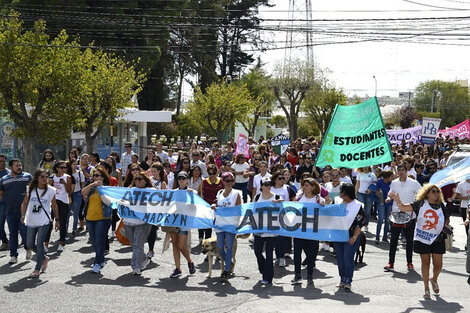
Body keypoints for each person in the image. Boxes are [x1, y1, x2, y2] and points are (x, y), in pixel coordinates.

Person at [389, 184, 449, 299]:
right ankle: (426, 288)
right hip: (423, 238)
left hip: (438, 238)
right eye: (433, 191)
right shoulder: (421, 203)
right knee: (425, 263)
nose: (436, 193)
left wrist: (445, 224)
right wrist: (398, 200)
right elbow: (404, 208)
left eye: (437, 191)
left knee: (438, 265)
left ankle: (434, 279)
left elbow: (447, 217)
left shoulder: (442, 205)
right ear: (427, 193)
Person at [20, 169, 60, 278]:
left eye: (46, 176)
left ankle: (37, 269)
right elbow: (24, 204)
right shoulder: (30, 189)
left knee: (40, 242)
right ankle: (44, 258)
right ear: (37, 178)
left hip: (44, 221)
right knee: (29, 243)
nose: (44, 179)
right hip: (31, 220)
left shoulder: (51, 190)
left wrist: (57, 220)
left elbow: (55, 206)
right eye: (42, 176)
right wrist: (23, 215)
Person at [384, 163, 422, 271]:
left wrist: (415, 204)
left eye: (402, 169)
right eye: (399, 169)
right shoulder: (394, 182)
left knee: (409, 240)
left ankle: (409, 262)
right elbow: (390, 193)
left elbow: (422, 194)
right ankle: (390, 263)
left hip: (409, 214)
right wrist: (388, 198)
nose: (401, 171)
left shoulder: (414, 183)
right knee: (394, 240)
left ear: (406, 171)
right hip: (396, 213)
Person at [292, 178, 324, 286]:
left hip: (313, 231)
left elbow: (325, 211)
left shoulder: (318, 199)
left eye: (307, 185)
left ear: (313, 187)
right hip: (299, 230)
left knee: (311, 254)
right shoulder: (299, 197)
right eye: (303, 185)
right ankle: (297, 275)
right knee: (297, 253)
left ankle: (310, 275)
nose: (304, 187)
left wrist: (323, 206)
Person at [0, 158, 33, 264]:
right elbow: (1, 194)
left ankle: (28, 248)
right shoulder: (4, 179)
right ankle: (13, 255)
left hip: (24, 212)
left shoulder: (27, 177)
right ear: (11, 168)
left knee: (24, 232)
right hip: (10, 211)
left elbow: (34, 190)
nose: (19, 167)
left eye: (20, 165)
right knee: (13, 234)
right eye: (17, 166)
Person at [334, 183, 365, 292]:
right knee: (340, 259)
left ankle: (348, 281)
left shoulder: (357, 205)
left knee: (348, 258)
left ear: (347, 192)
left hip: (351, 235)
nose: (340, 193)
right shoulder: (337, 201)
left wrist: (355, 237)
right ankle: (342, 278)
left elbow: (359, 224)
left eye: (341, 191)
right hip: (338, 235)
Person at [82, 168, 112, 274]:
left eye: (97, 175)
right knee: (94, 242)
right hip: (90, 218)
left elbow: (108, 202)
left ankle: (97, 263)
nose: (95, 177)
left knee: (99, 242)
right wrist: (91, 185)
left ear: (102, 177)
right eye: (94, 175)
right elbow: (83, 192)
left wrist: (100, 188)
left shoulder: (106, 189)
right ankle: (101, 259)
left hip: (103, 219)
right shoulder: (91, 188)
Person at [212, 172, 242, 280]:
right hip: (220, 223)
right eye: (227, 181)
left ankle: (227, 269)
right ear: (223, 181)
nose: (229, 183)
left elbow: (239, 208)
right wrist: (214, 205)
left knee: (229, 246)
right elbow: (217, 203)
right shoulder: (220, 192)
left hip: (230, 224)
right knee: (219, 247)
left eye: (231, 181)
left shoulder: (236, 194)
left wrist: (237, 223)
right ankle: (229, 262)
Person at [168, 171, 196, 278]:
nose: (181, 181)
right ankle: (178, 268)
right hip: (174, 220)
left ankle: (190, 261)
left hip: (185, 221)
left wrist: (191, 196)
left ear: (187, 180)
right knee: (175, 246)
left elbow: (194, 207)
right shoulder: (174, 192)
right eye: (179, 178)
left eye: (183, 179)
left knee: (181, 245)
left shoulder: (192, 192)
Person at [125, 172, 154, 275]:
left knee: (138, 244)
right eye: (136, 179)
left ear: (146, 181)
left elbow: (164, 197)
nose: (138, 181)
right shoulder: (129, 190)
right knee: (134, 245)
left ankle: (135, 266)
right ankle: (144, 259)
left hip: (143, 223)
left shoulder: (151, 191)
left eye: (140, 179)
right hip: (128, 222)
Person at [253, 177, 280, 285]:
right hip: (259, 229)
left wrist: (279, 202)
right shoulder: (257, 197)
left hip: (271, 230)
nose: (268, 186)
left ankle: (268, 277)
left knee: (269, 254)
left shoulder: (276, 197)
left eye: (270, 184)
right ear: (261, 186)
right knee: (257, 252)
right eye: (266, 184)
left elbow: (282, 208)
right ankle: (263, 269)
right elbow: (252, 210)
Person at [47, 161, 72, 252]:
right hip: (53, 201)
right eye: (61, 167)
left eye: (65, 167)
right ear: (57, 168)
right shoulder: (52, 176)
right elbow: (47, 188)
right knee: (49, 222)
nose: (64, 169)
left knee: (62, 223)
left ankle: (61, 242)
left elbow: (69, 191)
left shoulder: (67, 177)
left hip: (63, 201)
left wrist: (64, 183)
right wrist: (51, 183)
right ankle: (46, 243)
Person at [198, 164, 223, 244]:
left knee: (217, 226)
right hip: (206, 206)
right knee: (206, 225)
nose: (212, 175)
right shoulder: (204, 181)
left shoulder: (221, 181)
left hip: (217, 207)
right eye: (210, 173)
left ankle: (217, 242)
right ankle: (204, 241)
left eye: (214, 173)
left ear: (217, 172)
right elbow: (199, 192)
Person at [147, 163, 167, 258]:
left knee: (152, 230)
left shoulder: (162, 183)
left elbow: (164, 198)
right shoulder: (148, 180)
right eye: (152, 171)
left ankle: (151, 249)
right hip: (147, 208)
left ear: (159, 171)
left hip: (156, 210)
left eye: (155, 171)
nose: (153, 173)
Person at [355, 166, 376, 232]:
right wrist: (355, 193)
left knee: (367, 211)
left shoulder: (372, 174)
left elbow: (375, 185)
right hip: (361, 193)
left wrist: (370, 190)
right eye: (364, 166)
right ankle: (360, 225)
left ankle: (366, 225)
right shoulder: (359, 174)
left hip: (369, 195)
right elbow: (357, 184)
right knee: (361, 210)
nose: (365, 167)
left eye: (366, 166)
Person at [67, 159, 85, 236]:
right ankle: (65, 229)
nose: (75, 166)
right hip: (68, 194)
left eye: (76, 164)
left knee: (76, 212)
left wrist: (82, 193)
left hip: (77, 194)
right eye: (73, 164)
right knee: (67, 213)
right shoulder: (67, 174)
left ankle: (74, 229)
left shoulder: (79, 173)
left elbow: (82, 183)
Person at [375, 171, 393, 244]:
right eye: (391, 176)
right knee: (380, 219)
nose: (392, 178)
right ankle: (377, 236)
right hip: (381, 203)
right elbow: (376, 191)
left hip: (389, 203)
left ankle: (385, 237)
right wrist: (379, 194)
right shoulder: (379, 182)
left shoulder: (392, 183)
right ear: (387, 177)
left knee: (387, 220)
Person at [0, 154, 10, 250]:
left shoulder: (10, 173)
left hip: (6, 203)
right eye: (0, 161)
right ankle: (5, 241)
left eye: (3, 161)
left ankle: (6, 242)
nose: (2, 163)